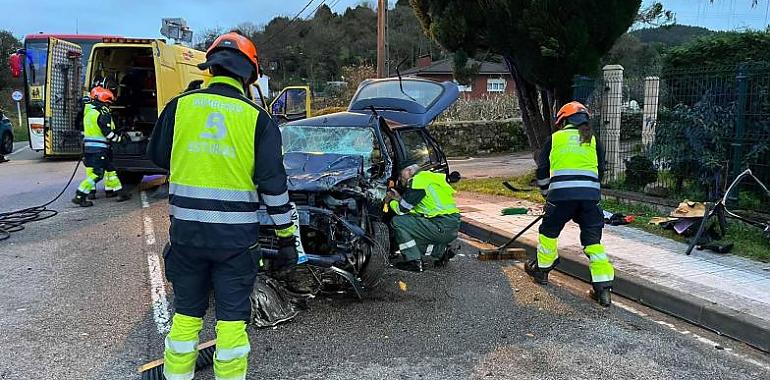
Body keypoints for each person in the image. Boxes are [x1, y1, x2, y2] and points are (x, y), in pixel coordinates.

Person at [147, 31, 299, 380]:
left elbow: (156, 157)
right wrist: (287, 237)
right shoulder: (258, 119)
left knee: (186, 319)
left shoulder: (180, 106)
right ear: (250, 75)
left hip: (187, 238)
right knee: (231, 326)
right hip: (235, 243)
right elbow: (274, 188)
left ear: (211, 67)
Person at [528, 101, 615, 307]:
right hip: (590, 199)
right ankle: (603, 288)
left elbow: (542, 170)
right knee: (593, 242)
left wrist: (546, 193)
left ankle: (542, 270)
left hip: (560, 198)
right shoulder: (594, 140)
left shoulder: (555, 139)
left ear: (564, 120)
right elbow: (600, 171)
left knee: (548, 233)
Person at [385, 164, 461, 272]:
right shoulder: (429, 177)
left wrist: (390, 201)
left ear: (410, 171)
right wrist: (398, 198)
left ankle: (414, 262)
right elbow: (415, 210)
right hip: (451, 225)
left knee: (398, 222)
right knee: (408, 237)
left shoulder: (418, 182)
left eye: (401, 176)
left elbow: (401, 210)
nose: (400, 179)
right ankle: (442, 251)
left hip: (440, 225)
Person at [71, 86, 130, 207]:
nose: (109, 105)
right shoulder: (103, 113)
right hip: (100, 149)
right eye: (109, 103)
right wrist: (120, 139)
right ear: (105, 102)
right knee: (98, 174)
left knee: (111, 169)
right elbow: (107, 132)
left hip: (90, 148)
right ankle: (80, 195)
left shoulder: (89, 112)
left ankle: (120, 192)